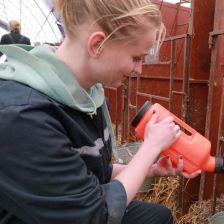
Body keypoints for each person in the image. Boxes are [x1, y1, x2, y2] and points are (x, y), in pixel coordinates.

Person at [0, 0, 200, 224]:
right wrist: (151, 147)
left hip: (80, 207)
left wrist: (150, 169)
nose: (139, 69)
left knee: (158, 217)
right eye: (136, 57)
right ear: (97, 45)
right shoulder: (24, 118)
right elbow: (95, 217)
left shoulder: (86, 96)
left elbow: (93, 171)